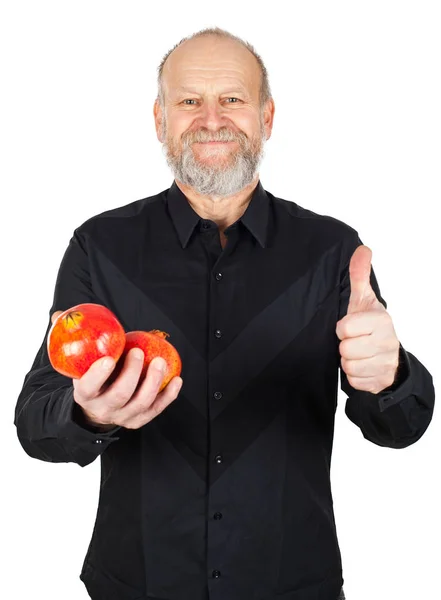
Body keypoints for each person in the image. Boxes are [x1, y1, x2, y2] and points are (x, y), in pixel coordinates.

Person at [14, 27, 435, 600]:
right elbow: (35, 422)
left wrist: (390, 378)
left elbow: (402, 428)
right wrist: (86, 413)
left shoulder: (333, 252)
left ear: (266, 118)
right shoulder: (99, 247)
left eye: (232, 99)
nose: (211, 119)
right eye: (189, 101)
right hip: (137, 583)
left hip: (291, 584)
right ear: (160, 120)